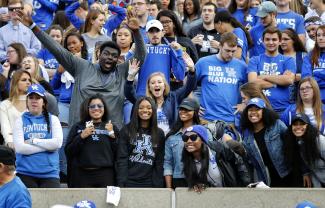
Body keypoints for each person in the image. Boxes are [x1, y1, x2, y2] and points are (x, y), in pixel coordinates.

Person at [16, 9, 146, 130]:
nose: (110, 58)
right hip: (81, 132)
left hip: (110, 135)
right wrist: (33, 26)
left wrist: (136, 32)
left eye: (114, 56)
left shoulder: (121, 71)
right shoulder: (82, 66)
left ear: (118, 59)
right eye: (106, 54)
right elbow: (57, 49)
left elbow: (140, 56)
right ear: (98, 54)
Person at [125, 58, 196, 135]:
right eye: (152, 83)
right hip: (150, 138)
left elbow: (189, 87)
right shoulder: (144, 100)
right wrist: (130, 77)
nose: (156, 85)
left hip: (169, 139)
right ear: (149, 87)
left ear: (165, 85)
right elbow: (129, 94)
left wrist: (192, 71)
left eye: (159, 82)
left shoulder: (173, 97)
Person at [13, 84, 63, 188]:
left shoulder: (53, 119)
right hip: (25, 173)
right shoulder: (19, 120)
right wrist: (47, 147)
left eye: (38, 98)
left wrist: (33, 141)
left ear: (44, 102)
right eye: (31, 98)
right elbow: (20, 148)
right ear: (27, 101)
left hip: (50, 174)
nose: (34, 101)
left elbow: (57, 143)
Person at [65, 94, 119, 188]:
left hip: (106, 174)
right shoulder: (78, 127)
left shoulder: (112, 127)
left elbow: (119, 153)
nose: (96, 108)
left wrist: (112, 136)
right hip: (82, 174)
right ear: (87, 109)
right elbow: (68, 151)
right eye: (92, 106)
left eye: (99, 106)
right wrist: (81, 136)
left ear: (104, 108)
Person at [195, 32, 247, 124]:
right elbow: (187, 86)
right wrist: (194, 105)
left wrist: (244, 104)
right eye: (227, 50)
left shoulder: (241, 66)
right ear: (220, 46)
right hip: (206, 119)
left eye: (233, 51)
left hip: (231, 119)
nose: (230, 54)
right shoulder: (203, 62)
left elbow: (252, 88)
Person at [182, 125, 250, 192]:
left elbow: (238, 161)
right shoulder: (186, 159)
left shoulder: (218, 148)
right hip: (213, 196)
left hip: (231, 190)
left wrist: (246, 182)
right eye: (185, 138)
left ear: (202, 140)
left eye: (193, 137)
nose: (188, 141)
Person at [116, 97, 165, 187]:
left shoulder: (160, 133)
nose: (145, 110)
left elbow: (159, 162)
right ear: (136, 110)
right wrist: (122, 182)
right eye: (141, 107)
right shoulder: (126, 130)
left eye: (149, 107)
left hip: (150, 182)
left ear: (153, 110)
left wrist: (158, 184)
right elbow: (122, 158)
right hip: (129, 181)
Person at [241, 98, 290, 186]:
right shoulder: (247, 135)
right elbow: (252, 162)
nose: (253, 112)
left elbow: (291, 144)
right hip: (267, 179)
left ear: (264, 112)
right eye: (250, 110)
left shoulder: (277, 125)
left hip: (288, 173)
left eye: (257, 109)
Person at [247, 26, 296, 113]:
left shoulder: (288, 60)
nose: (270, 42)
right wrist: (278, 80)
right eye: (267, 39)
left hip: (283, 109)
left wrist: (264, 77)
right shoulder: (255, 60)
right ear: (262, 41)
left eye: (274, 39)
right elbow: (253, 83)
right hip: (260, 109)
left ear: (280, 41)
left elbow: (289, 80)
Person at [132, 19, 185, 96]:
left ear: (163, 33)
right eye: (151, 31)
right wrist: (131, 52)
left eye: (157, 31)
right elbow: (127, 72)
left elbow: (180, 76)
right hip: (143, 95)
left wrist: (178, 52)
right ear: (146, 34)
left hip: (163, 95)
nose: (154, 34)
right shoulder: (140, 49)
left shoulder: (169, 49)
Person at [164, 97, 200, 188]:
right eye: (181, 109)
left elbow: (209, 158)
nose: (183, 111)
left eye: (187, 109)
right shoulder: (171, 136)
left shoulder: (203, 132)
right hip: (178, 179)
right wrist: (169, 188)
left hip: (199, 177)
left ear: (195, 112)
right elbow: (168, 163)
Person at [283, 113, 325, 187]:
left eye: (302, 124)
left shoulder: (320, 142)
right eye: (295, 124)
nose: (298, 127)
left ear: (308, 126)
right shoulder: (297, 142)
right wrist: (305, 172)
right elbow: (302, 160)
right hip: (318, 181)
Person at [0, 70, 31, 148]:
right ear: (15, 83)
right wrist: (10, 142)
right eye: (24, 80)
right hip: (11, 146)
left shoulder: (35, 103)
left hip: (32, 145)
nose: (28, 82)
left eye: (29, 80)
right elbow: (5, 128)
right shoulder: (4, 104)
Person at [302, 25, 325, 104]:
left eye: (324, 35)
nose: (320, 38)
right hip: (315, 99)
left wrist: (316, 75)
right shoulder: (309, 56)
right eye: (318, 35)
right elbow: (306, 78)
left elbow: (312, 79)